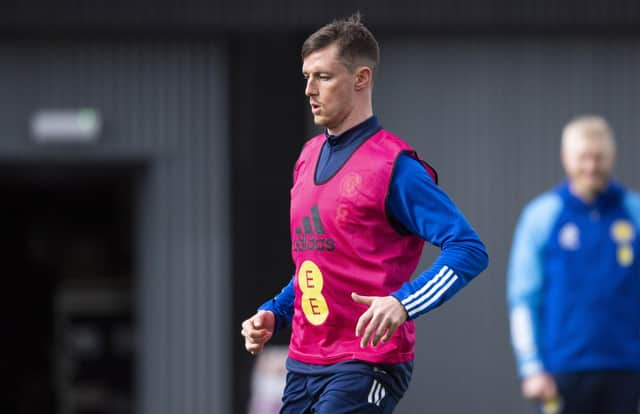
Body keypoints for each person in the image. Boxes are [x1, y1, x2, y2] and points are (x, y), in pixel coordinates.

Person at [241, 14, 488, 413]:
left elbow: (469, 248)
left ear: (361, 78)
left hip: (367, 361)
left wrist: (403, 303)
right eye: (306, 76)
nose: (309, 89)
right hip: (304, 363)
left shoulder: (395, 166)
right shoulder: (307, 158)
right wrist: (275, 311)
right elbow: (319, 264)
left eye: (323, 76)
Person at [507, 115, 640, 414]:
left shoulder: (634, 212)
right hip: (562, 372)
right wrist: (531, 366)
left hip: (626, 369)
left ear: (612, 157)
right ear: (566, 157)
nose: (591, 166)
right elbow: (523, 299)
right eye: (583, 157)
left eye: (599, 157)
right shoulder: (542, 216)